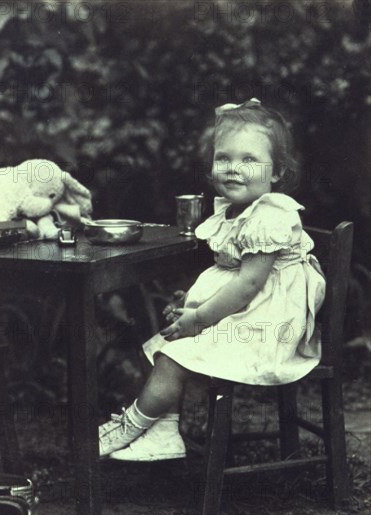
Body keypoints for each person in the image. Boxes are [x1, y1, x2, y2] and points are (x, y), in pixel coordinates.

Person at [99, 98, 326, 461]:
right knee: (161, 344)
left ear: (277, 171)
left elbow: (249, 285)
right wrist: (194, 301)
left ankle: (133, 424)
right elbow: (229, 277)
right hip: (246, 311)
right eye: (224, 158)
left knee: (172, 355)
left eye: (249, 160)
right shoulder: (234, 212)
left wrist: (200, 318)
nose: (233, 168)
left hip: (269, 327)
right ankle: (164, 432)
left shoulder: (271, 215)